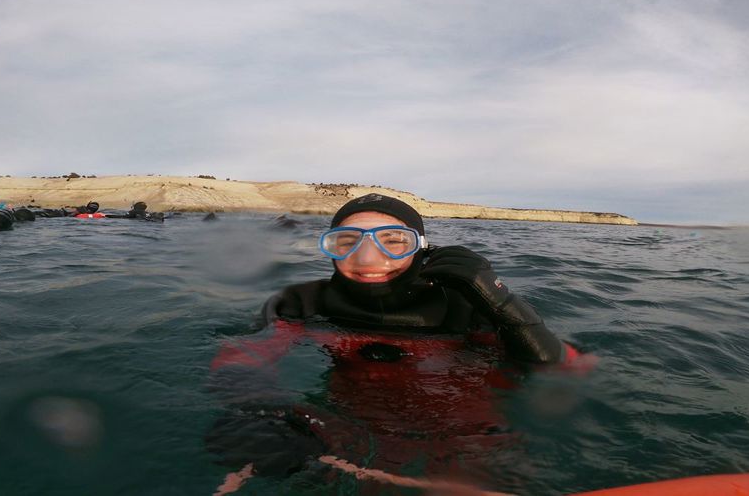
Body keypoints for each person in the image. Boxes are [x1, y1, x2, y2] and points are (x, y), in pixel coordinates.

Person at [207, 193, 584, 488]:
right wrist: (260, 414)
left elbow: (565, 368)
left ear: (420, 246)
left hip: (468, 434)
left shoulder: (467, 303)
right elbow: (241, 358)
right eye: (347, 242)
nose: (370, 257)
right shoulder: (304, 303)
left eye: (393, 241)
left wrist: (500, 299)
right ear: (330, 248)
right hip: (347, 429)